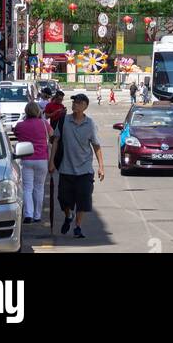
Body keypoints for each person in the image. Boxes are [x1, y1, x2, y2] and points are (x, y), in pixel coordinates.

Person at [50, 93, 104, 239]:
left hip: (85, 170)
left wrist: (101, 167)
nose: (74, 104)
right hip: (66, 168)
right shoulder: (64, 121)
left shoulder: (91, 124)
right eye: (74, 102)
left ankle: (78, 227)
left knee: (83, 200)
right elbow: (55, 141)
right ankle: (68, 216)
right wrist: (51, 162)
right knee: (63, 199)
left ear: (85, 106)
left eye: (78, 102)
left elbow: (96, 146)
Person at [14, 101, 51, 223]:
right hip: (42, 159)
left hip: (26, 159)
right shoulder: (44, 124)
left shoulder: (20, 125)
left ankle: (28, 214)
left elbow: (17, 135)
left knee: (27, 187)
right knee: (39, 187)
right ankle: (37, 215)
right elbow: (52, 135)